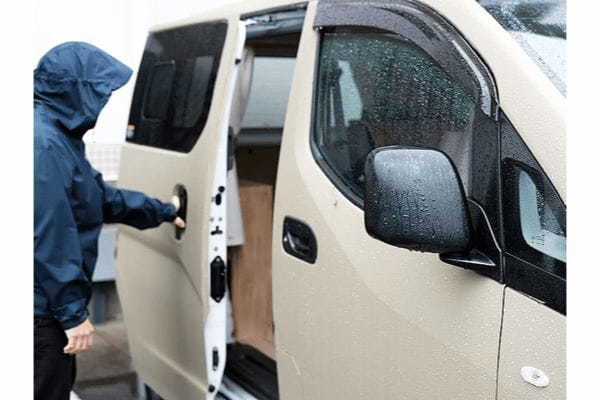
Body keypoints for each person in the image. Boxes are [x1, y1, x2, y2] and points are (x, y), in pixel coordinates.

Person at [34, 41, 185, 400]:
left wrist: (164, 210)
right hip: (39, 313)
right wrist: (71, 314)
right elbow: (48, 236)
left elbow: (99, 199)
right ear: (76, 91)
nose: (104, 102)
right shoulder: (42, 144)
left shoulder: (60, 137)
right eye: (100, 92)